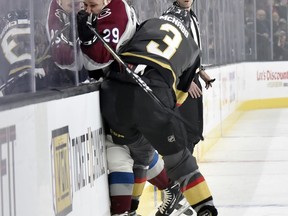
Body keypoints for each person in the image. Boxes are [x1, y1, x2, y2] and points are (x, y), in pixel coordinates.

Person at [98, 3, 218, 216]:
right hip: (154, 95)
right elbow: (181, 93)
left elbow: (120, 50)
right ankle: (205, 209)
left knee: (132, 153)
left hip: (115, 91)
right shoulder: (191, 46)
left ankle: (128, 210)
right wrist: (164, 119)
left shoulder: (147, 24)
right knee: (180, 161)